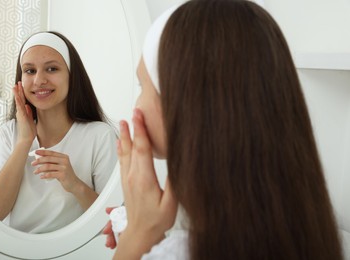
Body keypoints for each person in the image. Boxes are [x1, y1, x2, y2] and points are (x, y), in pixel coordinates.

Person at [103, 0, 343, 259]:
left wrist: (139, 234)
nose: (136, 104)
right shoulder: (303, 226)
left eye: (142, 86)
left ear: (185, 104)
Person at [0, 31, 117, 233]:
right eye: (29, 71)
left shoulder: (100, 136)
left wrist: (75, 184)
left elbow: (115, 222)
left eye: (52, 69)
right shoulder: (11, 132)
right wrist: (24, 141)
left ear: (72, 75)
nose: (39, 80)